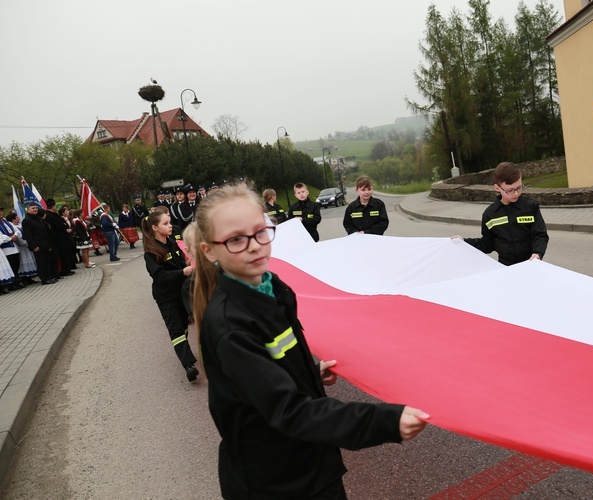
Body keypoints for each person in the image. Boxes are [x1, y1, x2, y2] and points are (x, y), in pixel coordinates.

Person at [190, 182, 429, 498]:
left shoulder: (273, 288)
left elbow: (272, 367)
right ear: (209, 250)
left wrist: (309, 374)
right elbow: (288, 410)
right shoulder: (230, 326)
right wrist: (384, 422)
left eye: (260, 231)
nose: (254, 245)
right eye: (236, 239)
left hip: (310, 462)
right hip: (278, 482)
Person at [141, 210, 199, 382]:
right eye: (165, 223)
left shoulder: (173, 242)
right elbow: (159, 276)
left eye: (170, 222)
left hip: (181, 293)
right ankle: (189, 365)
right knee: (176, 329)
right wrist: (182, 271)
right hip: (165, 297)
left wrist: (186, 263)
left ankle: (183, 349)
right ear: (155, 228)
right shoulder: (150, 252)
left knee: (183, 325)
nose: (170, 226)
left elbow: (180, 262)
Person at [455, 162, 549, 266]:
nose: (516, 193)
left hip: (531, 265)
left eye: (519, 187)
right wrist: (463, 242)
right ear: (497, 188)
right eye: (510, 190)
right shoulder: (489, 215)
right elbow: (487, 244)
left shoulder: (531, 207)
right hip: (506, 268)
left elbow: (540, 235)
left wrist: (537, 253)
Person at [22, 203, 57, 284]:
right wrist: (34, 246)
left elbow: (44, 231)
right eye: (33, 208)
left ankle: (49, 277)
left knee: (47, 262)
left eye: (36, 208)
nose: (35, 209)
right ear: (28, 210)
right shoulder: (26, 220)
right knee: (41, 263)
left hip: (45, 244)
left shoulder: (38, 218)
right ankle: (44, 279)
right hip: (37, 246)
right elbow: (28, 235)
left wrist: (48, 244)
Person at [7, 211, 38, 285]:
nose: (18, 219)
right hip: (22, 247)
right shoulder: (13, 227)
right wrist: (24, 243)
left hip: (27, 246)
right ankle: (24, 278)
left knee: (30, 260)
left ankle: (29, 277)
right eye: (16, 218)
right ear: (13, 219)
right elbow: (18, 237)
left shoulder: (20, 225)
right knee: (24, 262)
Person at [0, 206, 23, 290]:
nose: (1, 213)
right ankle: (11, 284)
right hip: (6, 249)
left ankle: (16, 281)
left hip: (14, 247)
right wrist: (10, 238)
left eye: (1, 211)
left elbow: (16, 230)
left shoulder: (6, 221)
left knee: (16, 265)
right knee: (11, 266)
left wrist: (14, 235)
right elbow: (1, 237)